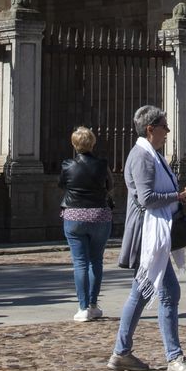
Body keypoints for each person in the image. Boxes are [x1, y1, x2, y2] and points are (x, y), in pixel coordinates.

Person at [109, 104, 186, 371]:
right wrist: (177, 196)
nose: (168, 131)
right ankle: (174, 358)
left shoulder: (153, 156)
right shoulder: (142, 157)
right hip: (146, 235)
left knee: (140, 293)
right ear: (151, 129)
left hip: (155, 231)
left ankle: (121, 353)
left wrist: (180, 197)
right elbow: (147, 198)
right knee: (169, 292)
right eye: (164, 126)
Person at [60, 125, 113, 321]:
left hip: (74, 215)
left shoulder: (67, 165)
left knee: (80, 262)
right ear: (92, 143)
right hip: (99, 214)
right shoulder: (102, 164)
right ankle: (93, 304)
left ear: (74, 144)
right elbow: (110, 185)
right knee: (96, 260)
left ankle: (82, 308)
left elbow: (62, 184)